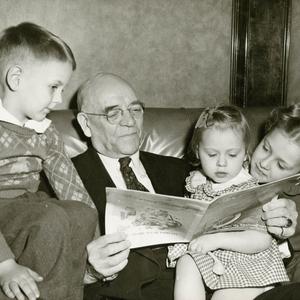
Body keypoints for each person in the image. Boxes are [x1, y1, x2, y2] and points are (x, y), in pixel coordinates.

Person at [73, 72, 299, 300]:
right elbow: (44, 271)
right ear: (86, 123)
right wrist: (88, 273)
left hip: (221, 285)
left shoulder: (188, 171)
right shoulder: (64, 179)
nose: (129, 121)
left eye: (135, 109)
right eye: (114, 113)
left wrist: (280, 227)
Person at [0, 23, 98, 300]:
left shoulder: (45, 131)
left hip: (26, 208)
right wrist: (5, 265)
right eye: (54, 87)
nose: (58, 100)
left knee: (82, 213)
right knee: (50, 217)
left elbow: (71, 185)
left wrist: (97, 239)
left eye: (62, 89)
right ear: (16, 79)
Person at [168, 105, 289, 300]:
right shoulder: (196, 184)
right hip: (211, 257)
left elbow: (262, 240)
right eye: (212, 154)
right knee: (186, 261)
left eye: (232, 154)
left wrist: (216, 240)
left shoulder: (255, 190)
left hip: (249, 267)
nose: (222, 163)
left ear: (245, 154)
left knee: (224, 296)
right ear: (198, 152)